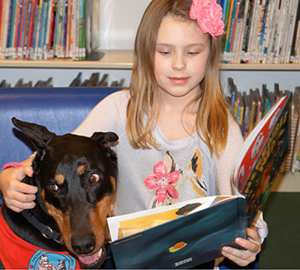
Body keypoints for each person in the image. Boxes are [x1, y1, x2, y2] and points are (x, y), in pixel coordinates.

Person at [0, 0, 267, 268]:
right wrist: (8, 177)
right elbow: (61, 154)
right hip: (124, 255)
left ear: (210, 55)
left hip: (192, 259)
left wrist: (251, 238)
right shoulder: (119, 109)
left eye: (193, 52)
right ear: (144, 52)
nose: (178, 64)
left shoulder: (221, 128)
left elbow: (241, 205)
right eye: (164, 52)